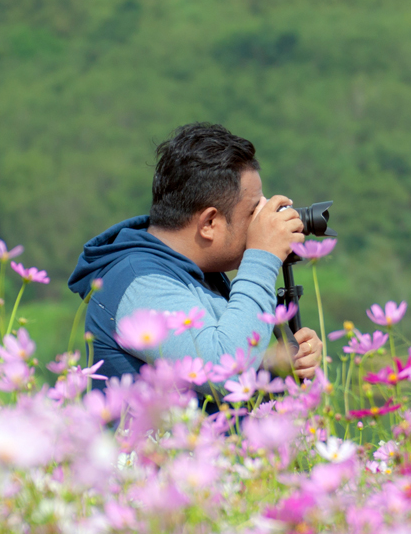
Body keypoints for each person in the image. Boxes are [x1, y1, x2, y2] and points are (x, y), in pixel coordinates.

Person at [67, 123, 323, 400]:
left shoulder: (198, 271)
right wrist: (262, 257)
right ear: (209, 222)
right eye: (253, 212)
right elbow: (223, 372)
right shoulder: (138, 282)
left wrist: (274, 364)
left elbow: (202, 360)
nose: (263, 222)